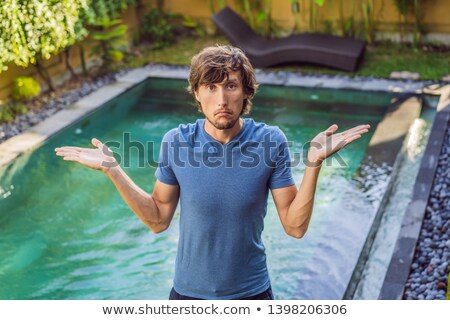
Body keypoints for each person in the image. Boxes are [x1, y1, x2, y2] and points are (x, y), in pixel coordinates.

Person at [55, 45, 370, 300]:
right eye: (211, 86)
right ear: (196, 92)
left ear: (245, 91)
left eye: (231, 86)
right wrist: (114, 171)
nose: (222, 99)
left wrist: (313, 164)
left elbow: (295, 227)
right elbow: (157, 219)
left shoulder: (270, 141)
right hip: (188, 297)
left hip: (252, 295)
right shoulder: (177, 142)